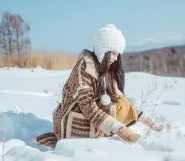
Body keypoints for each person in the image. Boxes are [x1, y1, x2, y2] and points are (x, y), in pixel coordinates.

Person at [36, 24, 164, 148]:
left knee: (117, 102)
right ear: (104, 50)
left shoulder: (103, 69)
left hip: (86, 115)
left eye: (118, 54)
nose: (116, 58)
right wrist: (122, 131)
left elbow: (120, 98)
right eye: (114, 53)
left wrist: (149, 122)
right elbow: (88, 107)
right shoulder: (85, 68)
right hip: (70, 119)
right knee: (109, 112)